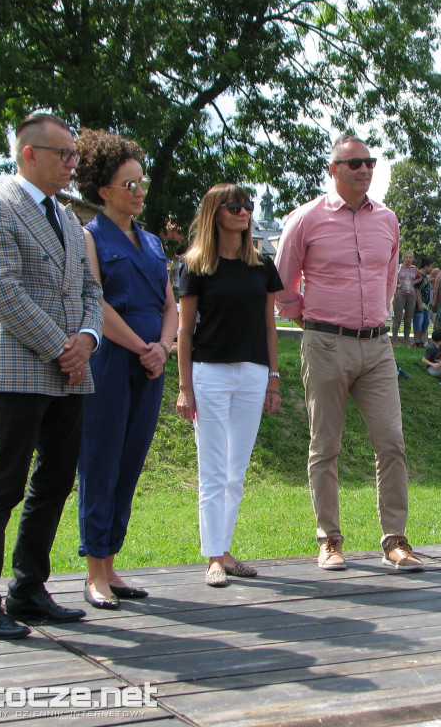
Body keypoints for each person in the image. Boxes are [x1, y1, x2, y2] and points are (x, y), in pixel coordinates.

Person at [0, 113, 103, 639]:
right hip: (20, 369)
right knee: (4, 485)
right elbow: (4, 292)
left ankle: (29, 590)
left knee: (56, 481)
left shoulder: (68, 219)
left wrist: (87, 340)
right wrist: (60, 346)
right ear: (29, 154)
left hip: (72, 373)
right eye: (64, 154)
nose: (72, 164)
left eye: (74, 156)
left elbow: (92, 291)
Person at [275, 134, 423, 572]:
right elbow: (283, 285)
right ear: (333, 170)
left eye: (370, 162)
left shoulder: (388, 220)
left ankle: (395, 539)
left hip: (377, 346)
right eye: (354, 163)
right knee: (325, 445)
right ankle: (329, 540)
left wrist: (375, 316)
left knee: (392, 443)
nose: (364, 169)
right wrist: (311, 321)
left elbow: (389, 277)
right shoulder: (305, 219)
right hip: (324, 343)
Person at [72, 129, 177, 610]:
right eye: (128, 184)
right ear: (103, 190)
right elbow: (97, 305)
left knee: (130, 462)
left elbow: (170, 304)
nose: (138, 191)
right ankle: (94, 570)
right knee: (102, 461)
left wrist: (164, 346)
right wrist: (142, 347)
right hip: (112, 362)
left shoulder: (154, 243)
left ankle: (112, 565)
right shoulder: (89, 238)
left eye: (142, 182)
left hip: (151, 365)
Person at [176, 184, 284, 587]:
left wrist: (273, 378)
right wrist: (184, 387)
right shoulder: (196, 265)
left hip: (254, 374)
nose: (243, 212)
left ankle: (225, 549)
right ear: (214, 213)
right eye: (234, 206)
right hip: (209, 373)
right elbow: (184, 332)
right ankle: (213, 557)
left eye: (247, 205)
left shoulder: (261, 264)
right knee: (213, 471)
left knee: (236, 472)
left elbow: (269, 325)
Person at [392, 250, 419, 346]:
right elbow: (391, 277)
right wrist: (396, 284)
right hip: (400, 293)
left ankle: (406, 341)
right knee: (397, 318)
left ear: (412, 259)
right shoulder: (398, 267)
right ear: (403, 258)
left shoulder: (414, 268)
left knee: (408, 320)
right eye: (406, 257)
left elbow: (420, 277)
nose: (408, 259)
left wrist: (413, 283)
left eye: (410, 257)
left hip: (411, 294)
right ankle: (394, 340)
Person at [412, 257, 435, 347]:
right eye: (430, 267)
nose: (431, 269)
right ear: (426, 266)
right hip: (420, 305)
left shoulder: (425, 277)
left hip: (426, 305)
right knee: (418, 324)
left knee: (425, 324)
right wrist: (419, 303)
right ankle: (416, 342)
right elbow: (416, 289)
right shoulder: (419, 275)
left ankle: (419, 340)